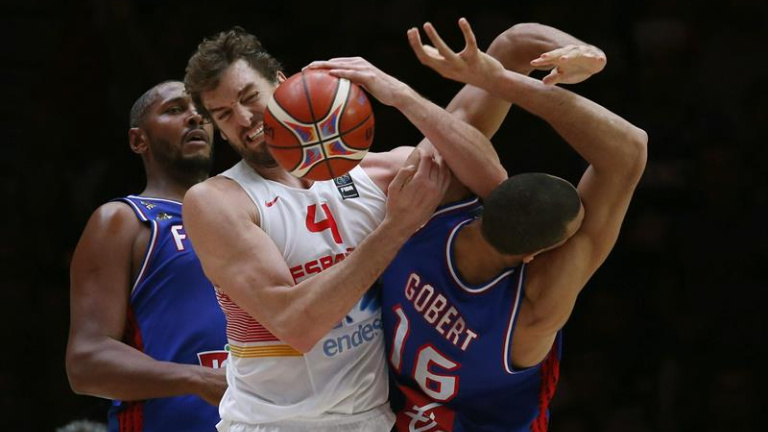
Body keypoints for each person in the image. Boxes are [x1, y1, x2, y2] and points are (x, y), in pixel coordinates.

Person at [182, 22, 604, 432]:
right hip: (274, 424)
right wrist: (396, 227)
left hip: (374, 419)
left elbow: (495, 183)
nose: (244, 118)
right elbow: (297, 325)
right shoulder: (218, 201)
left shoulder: (376, 174)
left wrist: (402, 95)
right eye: (223, 114)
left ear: (282, 83)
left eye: (250, 97)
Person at [378, 19, 648, 432]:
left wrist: (502, 76)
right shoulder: (532, 312)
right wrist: (517, 78)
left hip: (381, 409)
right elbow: (629, 151)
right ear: (534, 255)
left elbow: (514, 42)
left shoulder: (429, 204)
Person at [65, 81, 229, 432]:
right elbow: (86, 362)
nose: (195, 117)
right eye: (175, 109)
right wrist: (198, 379)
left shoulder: (248, 214)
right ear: (139, 140)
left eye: (202, 111)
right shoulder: (123, 220)